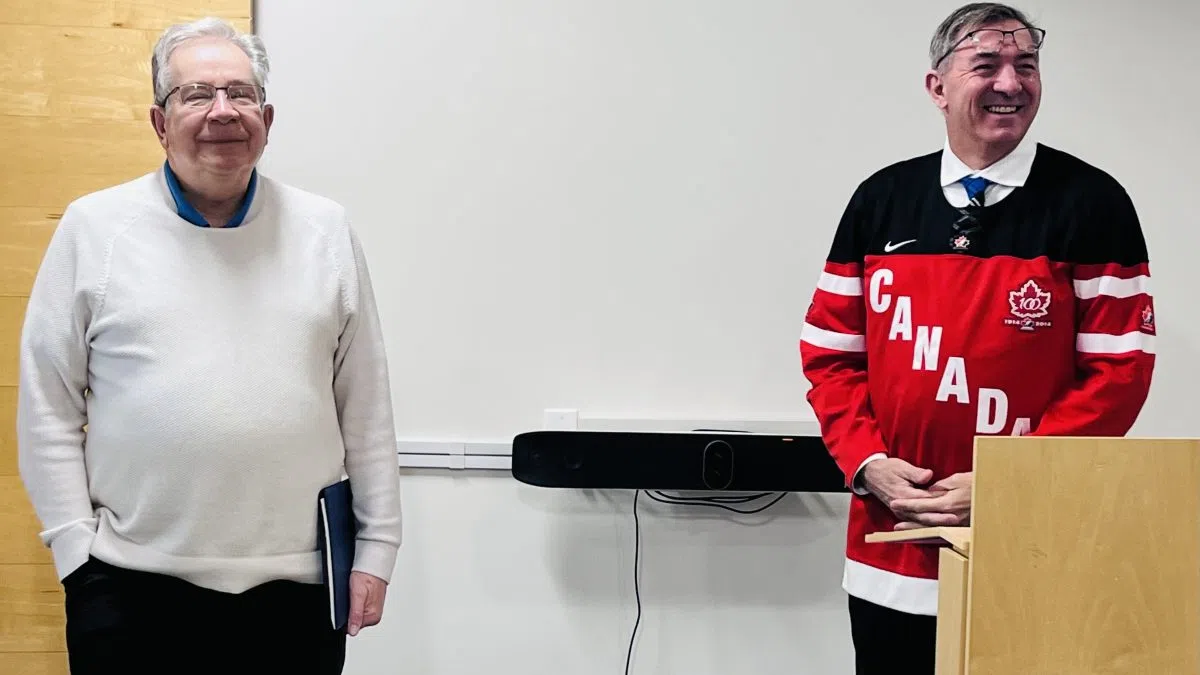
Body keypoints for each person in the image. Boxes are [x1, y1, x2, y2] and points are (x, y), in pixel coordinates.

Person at [16, 16, 402, 674]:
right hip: (130, 588)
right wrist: (75, 552)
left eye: (240, 93)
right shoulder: (94, 229)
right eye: (196, 94)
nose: (222, 110)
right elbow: (46, 405)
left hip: (296, 592)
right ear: (159, 122)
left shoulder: (325, 230)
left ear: (266, 119)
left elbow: (365, 405)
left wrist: (377, 549)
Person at [798, 3, 1155, 673]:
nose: (1011, 83)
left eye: (1027, 65)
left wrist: (1008, 480)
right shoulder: (881, 199)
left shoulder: (1093, 203)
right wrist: (866, 461)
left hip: (1031, 547)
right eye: (986, 64)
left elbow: (1120, 371)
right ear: (938, 87)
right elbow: (830, 354)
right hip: (891, 547)